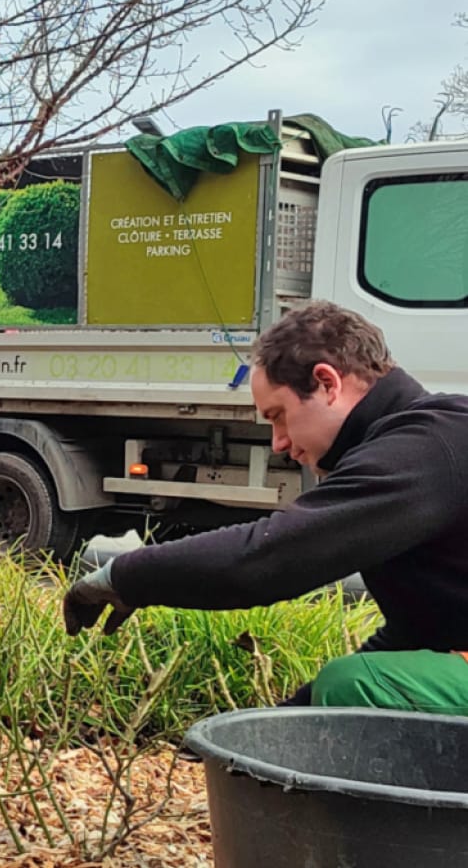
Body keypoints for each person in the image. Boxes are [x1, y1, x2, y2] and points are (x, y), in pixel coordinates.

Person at [63, 300, 468, 714]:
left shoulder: (427, 447)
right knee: (354, 684)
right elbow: (417, 635)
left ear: (328, 383)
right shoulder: (425, 443)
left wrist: (126, 575)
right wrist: (285, 719)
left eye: (279, 416)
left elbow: (269, 559)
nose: (278, 443)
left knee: (351, 685)